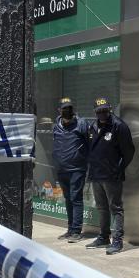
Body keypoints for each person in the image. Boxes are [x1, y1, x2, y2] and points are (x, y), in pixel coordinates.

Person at [82, 97, 135, 254]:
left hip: (112, 176)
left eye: (105, 110)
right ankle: (103, 237)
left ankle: (117, 241)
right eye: (99, 111)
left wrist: (119, 168)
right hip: (96, 175)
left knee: (116, 208)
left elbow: (129, 152)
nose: (102, 114)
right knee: (101, 207)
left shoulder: (119, 126)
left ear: (110, 109)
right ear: (95, 112)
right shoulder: (92, 127)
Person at [52, 97, 89, 240]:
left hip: (77, 169)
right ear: (59, 110)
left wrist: (84, 161)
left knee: (76, 198)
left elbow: (88, 143)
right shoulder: (56, 126)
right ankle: (69, 229)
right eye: (64, 108)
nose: (67, 111)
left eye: (69, 108)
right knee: (67, 199)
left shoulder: (81, 124)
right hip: (62, 169)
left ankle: (76, 232)